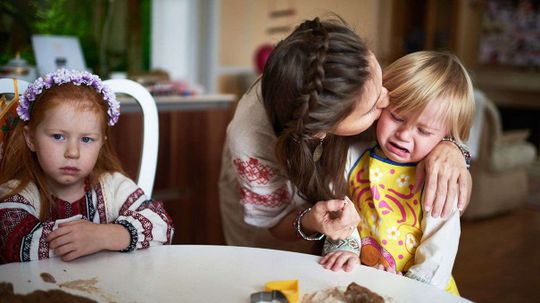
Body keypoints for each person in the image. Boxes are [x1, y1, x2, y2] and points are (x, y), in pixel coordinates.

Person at [218, 17, 472, 254]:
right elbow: (273, 225)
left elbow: (435, 111)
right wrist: (309, 221)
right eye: (373, 108)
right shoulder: (251, 140)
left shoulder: (346, 70)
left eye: (379, 76)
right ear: (323, 131)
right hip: (270, 232)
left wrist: (450, 146)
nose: (386, 98)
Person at [320, 51, 475, 295]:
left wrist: (411, 287)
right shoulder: (352, 156)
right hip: (363, 279)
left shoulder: (439, 178)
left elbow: (440, 247)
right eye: (397, 117)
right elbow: (341, 210)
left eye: (424, 131)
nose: (404, 135)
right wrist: (346, 247)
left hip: (418, 292)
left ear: (447, 136)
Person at [0, 69, 174, 264]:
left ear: (101, 144)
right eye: (58, 136)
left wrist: (103, 236)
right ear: (31, 139)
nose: (73, 152)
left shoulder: (113, 186)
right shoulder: (16, 191)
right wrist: (87, 237)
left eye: (87, 139)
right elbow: (13, 243)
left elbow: (162, 225)